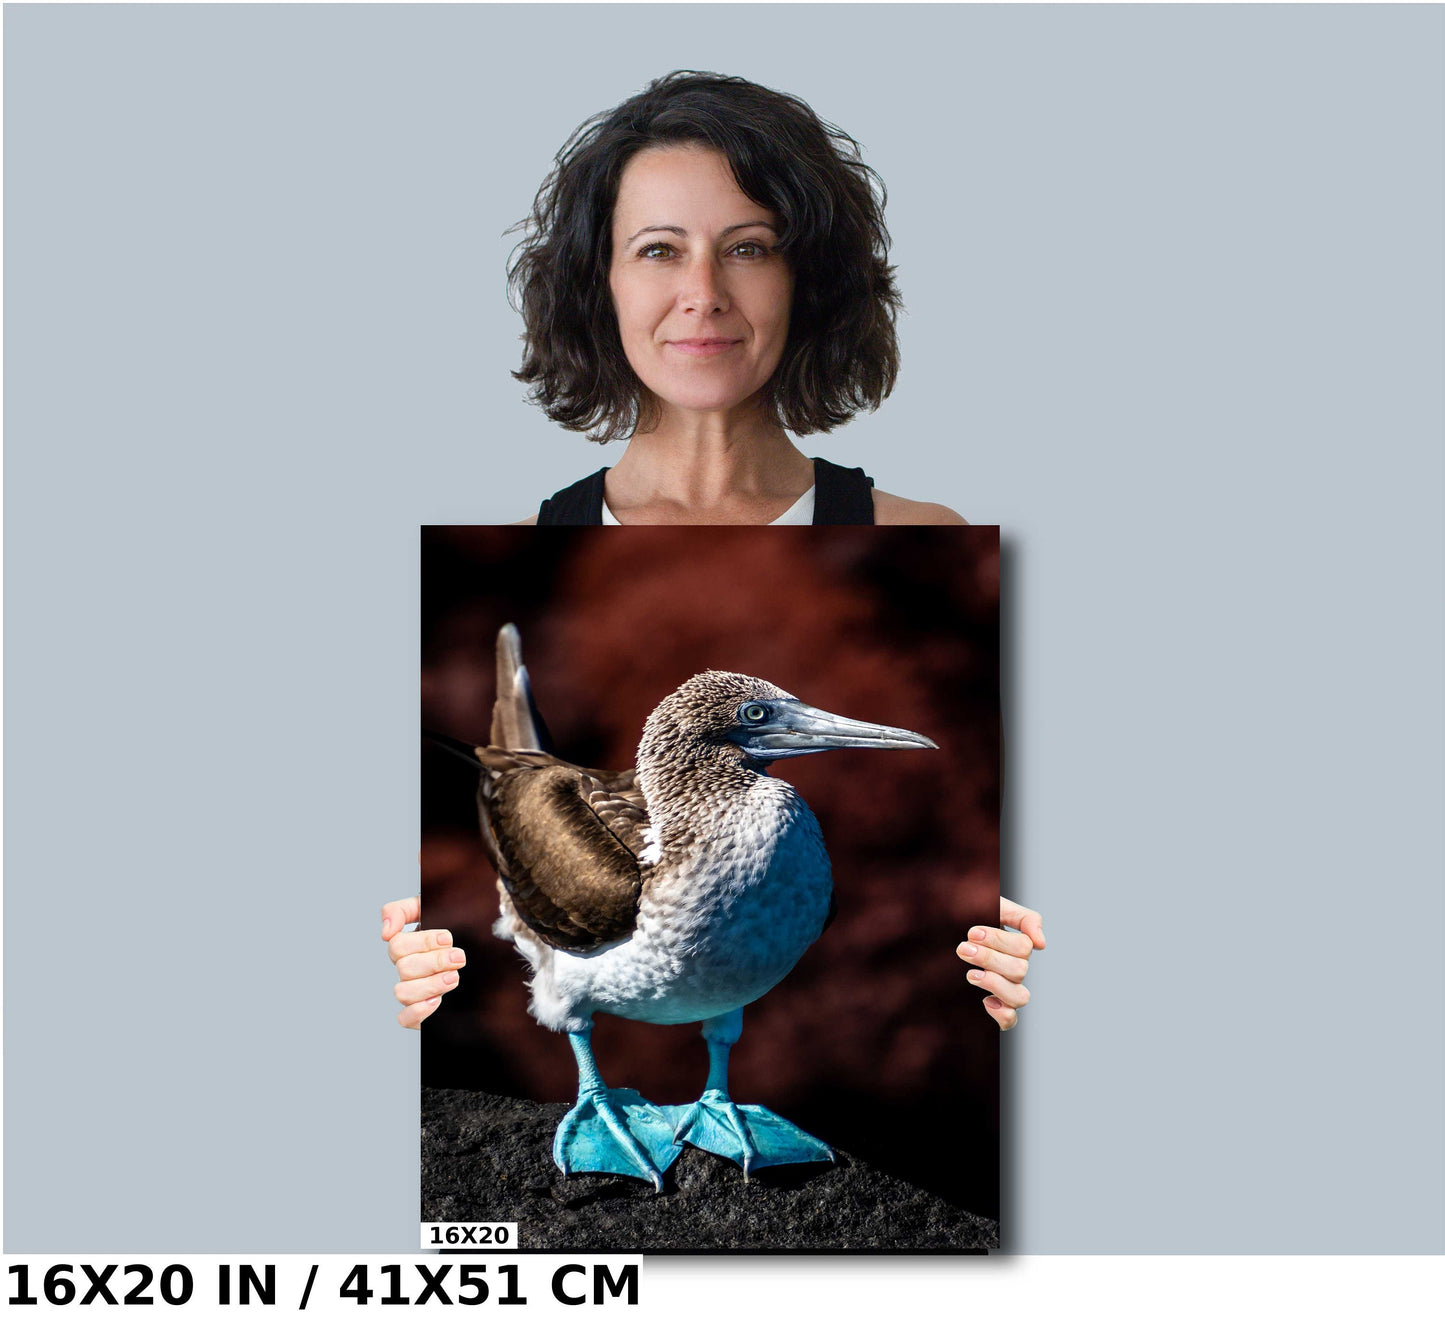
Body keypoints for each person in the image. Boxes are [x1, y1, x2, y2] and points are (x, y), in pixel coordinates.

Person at [393, 71, 1045, 1032]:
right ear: (599, 283)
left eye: (749, 248)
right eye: (658, 250)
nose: (702, 295)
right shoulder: (507, 548)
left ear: (807, 280)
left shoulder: (928, 532)